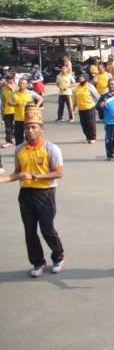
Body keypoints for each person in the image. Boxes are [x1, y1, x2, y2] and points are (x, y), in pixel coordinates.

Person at [0, 106, 65, 278]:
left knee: (47, 229)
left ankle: (58, 256)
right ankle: (38, 262)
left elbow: (58, 173)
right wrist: (3, 180)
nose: (30, 130)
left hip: (45, 193)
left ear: (41, 129)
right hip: (25, 194)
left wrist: (35, 176)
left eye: (34, 127)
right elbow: (17, 173)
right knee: (29, 231)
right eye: (27, 127)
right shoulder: (19, 149)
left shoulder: (52, 148)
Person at [8, 79, 44, 145]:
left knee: (30, 137)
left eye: (23, 83)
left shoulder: (30, 93)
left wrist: (36, 107)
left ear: (26, 85)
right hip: (18, 119)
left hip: (29, 119)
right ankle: (19, 150)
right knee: (18, 137)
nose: (21, 85)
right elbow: (9, 102)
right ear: (18, 84)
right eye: (20, 83)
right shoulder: (13, 93)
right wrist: (17, 104)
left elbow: (41, 98)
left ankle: (30, 149)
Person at [74, 74, 99, 143]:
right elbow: (75, 97)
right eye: (80, 77)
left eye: (82, 77)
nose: (80, 78)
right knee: (84, 124)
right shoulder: (77, 87)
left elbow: (97, 96)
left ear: (86, 78)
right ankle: (88, 137)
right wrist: (74, 106)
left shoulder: (90, 86)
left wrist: (99, 104)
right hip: (81, 108)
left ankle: (93, 138)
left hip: (90, 107)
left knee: (91, 123)